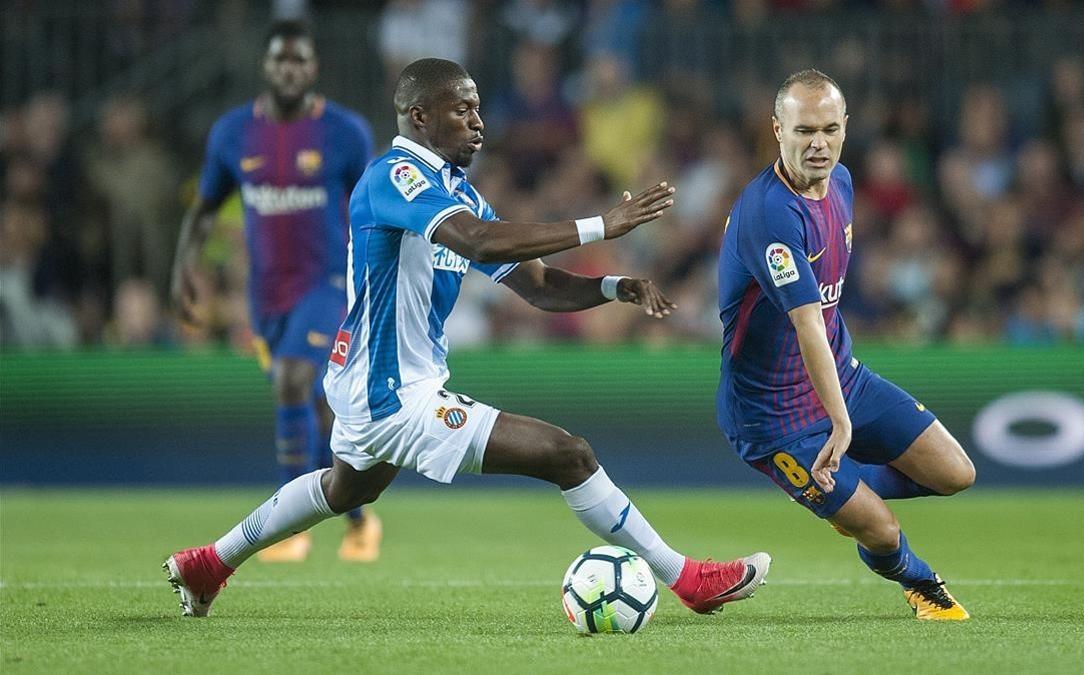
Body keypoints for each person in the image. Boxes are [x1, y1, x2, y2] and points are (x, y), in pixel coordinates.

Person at [164, 57, 770, 618]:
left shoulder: (457, 193)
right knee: (570, 454)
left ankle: (208, 564)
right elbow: (479, 242)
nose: (479, 124)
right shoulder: (395, 177)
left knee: (347, 485)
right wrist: (599, 225)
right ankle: (686, 578)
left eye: (479, 109)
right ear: (420, 115)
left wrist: (613, 287)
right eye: (463, 110)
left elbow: (537, 287)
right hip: (392, 391)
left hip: (379, 378)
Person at [716, 69, 976, 620]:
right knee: (881, 530)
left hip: (843, 375)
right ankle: (920, 581)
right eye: (805, 129)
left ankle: (841, 495)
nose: (819, 143)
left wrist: (841, 411)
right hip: (773, 414)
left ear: (845, 128)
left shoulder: (843, 183)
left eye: (830, 129)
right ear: (777, 128)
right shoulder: (769, 212)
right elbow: (809, 322)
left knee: (956, 474)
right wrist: (841, 423)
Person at [170, 20, 381, 563]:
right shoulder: (232, 133)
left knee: (292, 382)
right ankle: (359, 517)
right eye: (279, 61)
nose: (289, 70)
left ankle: (288, 528)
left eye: (299, 61)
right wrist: (182, 272)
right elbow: (204, 209)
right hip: (266, 297)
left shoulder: (345, 132)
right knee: (315, 405)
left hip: (329, 285)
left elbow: (377, 208)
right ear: (266, 67)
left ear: (314, 68)